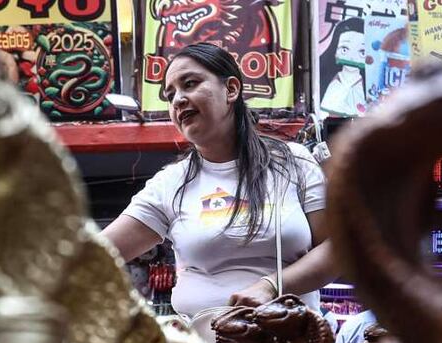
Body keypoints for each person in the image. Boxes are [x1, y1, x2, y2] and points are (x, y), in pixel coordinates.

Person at [102, 43, 334, 319]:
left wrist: (271, 286)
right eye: (170, 94)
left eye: (190, 84)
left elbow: (337, 249)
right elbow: (97, 253)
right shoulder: (169, 184)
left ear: (232, 89)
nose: (178, 99)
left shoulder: (293, 162)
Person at [319, 17, 367, 118]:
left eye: (362, 52)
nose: (352, 58)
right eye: (344, 49)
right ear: (335, 49)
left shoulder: (366, 84)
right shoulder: (332, 82)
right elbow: (323, 111)